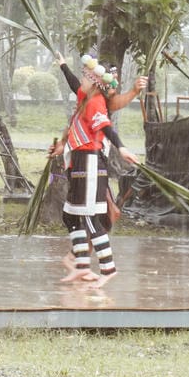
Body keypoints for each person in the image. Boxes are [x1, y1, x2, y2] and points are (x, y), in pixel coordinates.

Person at [50, 54, 139, 287]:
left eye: (85, 77)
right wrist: (62, 65)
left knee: (90, 219)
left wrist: (122, 148)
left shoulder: (95, 103)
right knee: (70, 215)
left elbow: (107, 128)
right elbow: (73, 83)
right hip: (79, 165)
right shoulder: (84, 96)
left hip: (90, 165)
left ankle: (108, 269)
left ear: (94, 81)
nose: (81, 80)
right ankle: (81, 266)